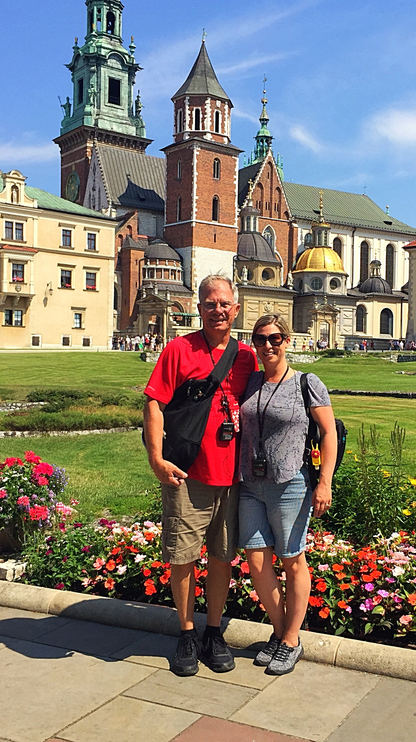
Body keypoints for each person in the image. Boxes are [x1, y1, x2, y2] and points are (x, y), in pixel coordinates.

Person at [143, 274, 257, 677]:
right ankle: (187, 632)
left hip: (233, 475)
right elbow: (153, 404)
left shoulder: (246, 357)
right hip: (187, 473)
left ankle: (213, 631)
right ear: (199, 308)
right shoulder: (179, 349)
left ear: (236, 309)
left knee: (222, 556)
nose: (217, 310)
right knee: (184, 557)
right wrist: (156, 459)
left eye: (224, 304)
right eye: (210, 304)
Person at [238, 313, 337, 675]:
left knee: (292, 559)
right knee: (256, 561)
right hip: (250, 483)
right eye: (260, 339)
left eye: (275, 338)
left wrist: (324, 482)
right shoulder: (250, 382)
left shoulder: (307, 383)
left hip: (291, 483)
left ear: (287, 341)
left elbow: (328, 432)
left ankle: (292, 639)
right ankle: (280, 633)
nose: (267, 345)